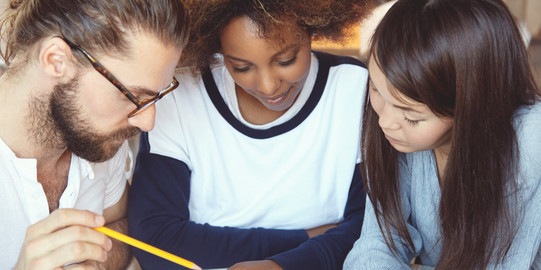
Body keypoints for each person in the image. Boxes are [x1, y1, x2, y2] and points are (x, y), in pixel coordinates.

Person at [127, 0, 371, 269]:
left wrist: (282, 265)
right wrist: (308, 239)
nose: (268, 86)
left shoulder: (353, 88)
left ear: (312, 30)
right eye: (241, 67)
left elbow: (371, 229)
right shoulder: (180, 96)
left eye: (286, 60)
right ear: (217, 46)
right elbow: (156, 241)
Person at [343, 0, 541, 269]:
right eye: (376, 89)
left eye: (411, 116)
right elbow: (375, 246)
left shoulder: (531, 142)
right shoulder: (400, 137)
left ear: (472, 105)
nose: (385, 122)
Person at [0, 0, 189, 269]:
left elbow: (118, 224)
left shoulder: (100, 139)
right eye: (133, 96)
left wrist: (98, 265)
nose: (148, 123)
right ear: (56, 61)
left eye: (155, 97)